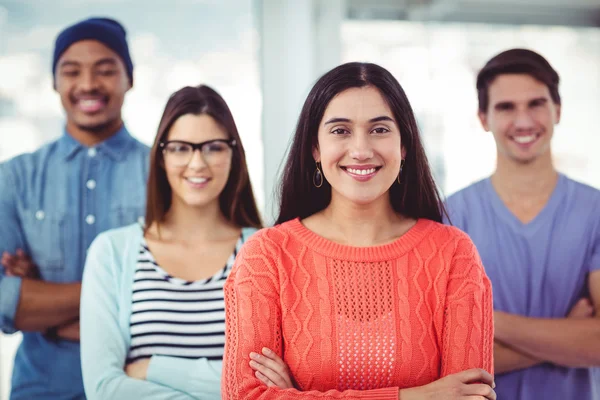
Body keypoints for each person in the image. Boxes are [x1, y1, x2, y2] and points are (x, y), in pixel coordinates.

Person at [222, 62, 496, 399]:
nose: (362, 150)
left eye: (380, 129)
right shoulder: (266, 255)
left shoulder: (453, 253)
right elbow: (245, 396)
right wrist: (415, 396)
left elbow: (469, 397)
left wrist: (297, 395)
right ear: (315, 149)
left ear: (404, 145)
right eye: (340, 131)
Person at [79, 84, 263, 399]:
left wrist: (153, 369)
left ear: (234, 153)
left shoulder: (265, 251)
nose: (197, 164)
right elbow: (104, 389)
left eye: (214, 147)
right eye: (180, 148)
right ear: (161, 157)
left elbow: (274, 384)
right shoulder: (112, 252)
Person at [0, 17, 148, 399]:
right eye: (71, 71)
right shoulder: (14, 178)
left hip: (142, 387)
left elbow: (179, 301)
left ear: (128, 79)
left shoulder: (165, 173)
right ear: (54, 82)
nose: (87, 85)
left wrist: (43, 304)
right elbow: (4, 304)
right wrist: (118, 295)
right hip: (42, 388)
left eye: (105, 70)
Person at [445, 48, 600, 399]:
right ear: (483, 118)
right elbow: (447, 362)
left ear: (557, 110)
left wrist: (491, 322)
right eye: (506, 107)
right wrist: (569, 335)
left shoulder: (595, 212)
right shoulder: (452, 217)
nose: (524, 120)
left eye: (536, 103)